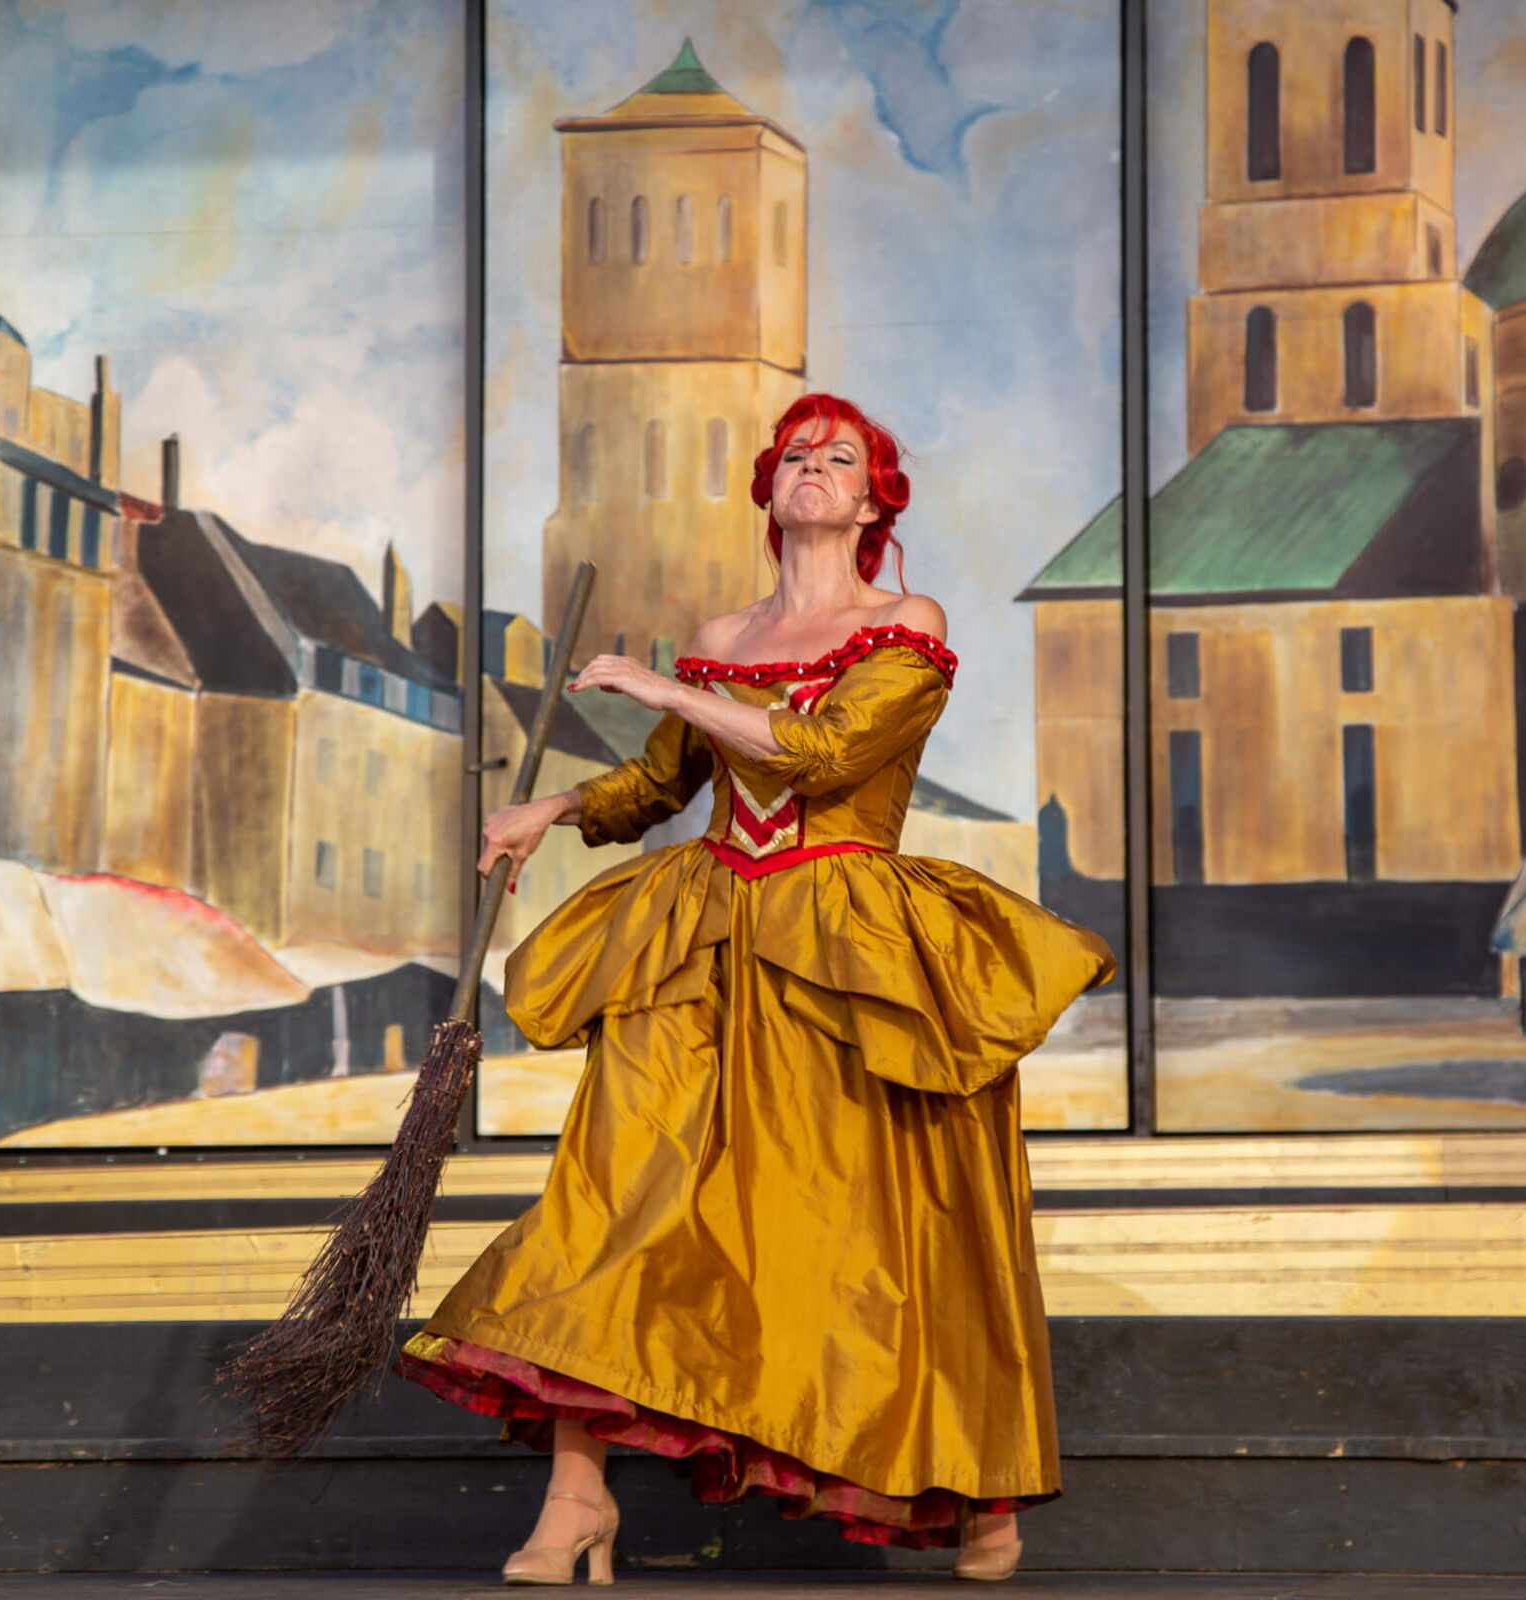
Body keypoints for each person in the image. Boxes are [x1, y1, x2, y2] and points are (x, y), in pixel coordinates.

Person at [395, 393, 1115, 1584]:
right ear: (770, 491)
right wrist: (552, 808)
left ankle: (972, 1483)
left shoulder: (906, 623)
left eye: (841, 457)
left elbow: (825, 754)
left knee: (876, 1228)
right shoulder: (724, 631)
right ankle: (576, 1498)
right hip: (704, 939)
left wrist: (672, 688)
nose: (814, 467)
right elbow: (661, 785)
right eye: (795, 455)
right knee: (616, 1198)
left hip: (844, 951)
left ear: (874, 502)